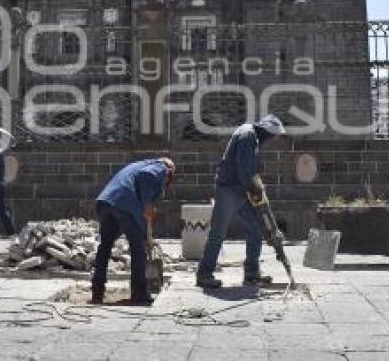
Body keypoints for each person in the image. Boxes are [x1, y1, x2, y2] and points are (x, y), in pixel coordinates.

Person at [196, 115, 286, 289]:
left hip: (241, 189)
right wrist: (254, 190)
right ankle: (204, 274)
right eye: (273, 136)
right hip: (229, 189)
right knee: (218, 233)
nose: (274, 139)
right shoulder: (248, 136)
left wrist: (255, 186)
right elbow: (243, 168)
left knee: (255, 229)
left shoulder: (251, 135)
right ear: (266, 131)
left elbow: (249, 169)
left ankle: (252, 273)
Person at [91, 157, 176, 306]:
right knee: (138, 249)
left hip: (106, 202)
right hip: (125, 204)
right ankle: (139, 294)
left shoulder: (138, 165)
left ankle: (97, 293)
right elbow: (146, 177)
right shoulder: (161, 167)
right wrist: (147, 204)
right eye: (168, 180)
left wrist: (147, 228)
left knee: (104, 247)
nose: (166, 182)